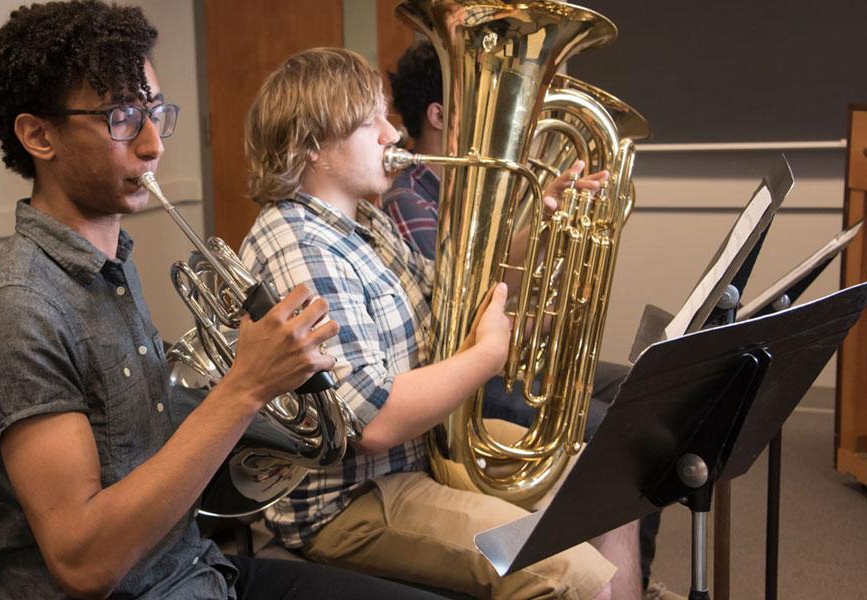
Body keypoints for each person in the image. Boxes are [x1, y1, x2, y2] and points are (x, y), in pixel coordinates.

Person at [0, 4, 448, 599]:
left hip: (191, 564)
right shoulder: (20, 308)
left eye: (156, 114)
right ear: (38, 135)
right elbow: (83, 561)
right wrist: (245, 387)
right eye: (122, 117)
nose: (151, 145)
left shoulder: (109, 267)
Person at [239, 47, 642, 600]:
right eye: (370, 122)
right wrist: (486, 359)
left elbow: (454, 301)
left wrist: (541, 225)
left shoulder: (365, 226)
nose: (393, 135)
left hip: (416, 459)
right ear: (311, 145)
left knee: (609, 480)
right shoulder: (299, 242)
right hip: (355, 501)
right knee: (571, 578)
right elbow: (373, 423)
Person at [384, 42, 674, 600]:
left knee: (640, 396)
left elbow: (491, 279)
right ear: (439, 116)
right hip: (468, 387)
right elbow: (461, 318)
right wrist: (535, 318)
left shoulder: (470, 189)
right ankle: (618, 582)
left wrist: (545, 221)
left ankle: (633, 578)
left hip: (498, 357)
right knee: (616, 435)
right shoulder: (411, 201)